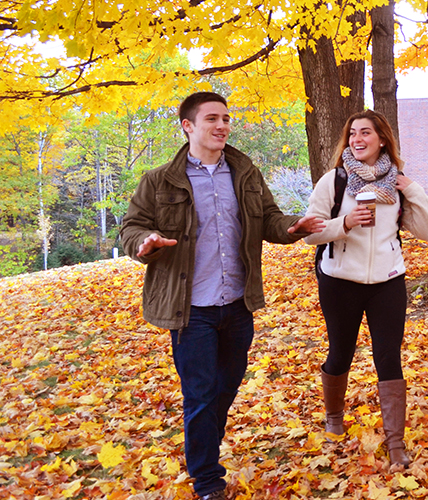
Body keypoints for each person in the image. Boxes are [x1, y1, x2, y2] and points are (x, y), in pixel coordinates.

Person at [119, 92, 324, 500]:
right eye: (212, 118)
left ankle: (202, 450)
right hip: (190, 308)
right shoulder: (158, 180)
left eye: (226, 119)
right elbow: (130, 228)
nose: (222, 126)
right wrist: (146, 241)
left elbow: (268, 218)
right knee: (200, 393)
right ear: (188, 126)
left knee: (225, 388)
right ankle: (208, 480)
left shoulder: (244, 173)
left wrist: (293, 227)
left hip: (236, 304)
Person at [302, 110, 428, 468]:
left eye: (365, 133)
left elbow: (425, 232)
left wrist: (413, 189)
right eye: (352, 134)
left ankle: (395, 445)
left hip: (388, 281)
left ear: (382, 139)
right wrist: (344, 222)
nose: (357, 139)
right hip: (339, 282)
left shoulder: (398, 184)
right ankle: (334, 418)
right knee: (341, 352)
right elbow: (310, 232)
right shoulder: (334, 181)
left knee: (388, 357)